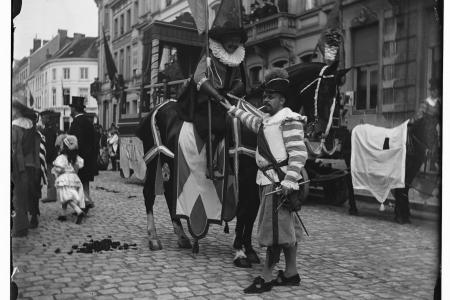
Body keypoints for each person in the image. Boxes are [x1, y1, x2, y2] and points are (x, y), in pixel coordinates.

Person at [221, 68, 307, 294]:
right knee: (288, 231)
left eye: (271, 97)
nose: (265, 100)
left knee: (275, 235)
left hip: (279, 185)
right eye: (264, 96)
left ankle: (266, 277)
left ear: (282, 99)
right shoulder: (268, 120)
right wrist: (233, 110)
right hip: (269, 181)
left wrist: (289, 181)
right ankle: (290, 273)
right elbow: (251, 121)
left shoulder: (289, 120)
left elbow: (299, 153)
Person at [177, 15, 247, 176]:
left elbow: (238, 80)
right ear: (222, 40)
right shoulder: (209, 57)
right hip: (206, 100)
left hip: (227, 100)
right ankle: (211, 164)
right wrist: (216, 95)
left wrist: (234, 90)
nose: (234, 44)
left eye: (237, 40)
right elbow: (198, 77)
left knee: (239, 124)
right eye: (231, 39)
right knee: (216, 126)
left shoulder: (235, 60)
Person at [11, 100, 42, 237]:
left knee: (19, 196)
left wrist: (18, 169)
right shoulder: (32, 127)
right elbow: (36, 149)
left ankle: (20, 227)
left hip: (21, 166)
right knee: (33, 192)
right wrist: (37, 166)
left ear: (16, 111)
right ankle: (34, 216)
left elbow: (16, 150)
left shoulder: (15, 127)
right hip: (33, 165)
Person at [68, 96, 99, 209]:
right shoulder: (88, 121)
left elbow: (75, 141)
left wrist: (71, 156)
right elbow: (95, 140)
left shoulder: (77, 122)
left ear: (75, 109)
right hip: (89, 157)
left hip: (79, 157)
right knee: (85, 180)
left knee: (79, 180)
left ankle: (82, 203)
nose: (70, 110)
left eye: (71, 108)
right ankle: (87, 198)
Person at [52, 135, 86, 224]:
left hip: (64, 179)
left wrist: (59, 173)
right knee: (66, 196)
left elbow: (59, 169)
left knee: (66, 197)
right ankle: (63, 214)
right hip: (74, 178)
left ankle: (79, 211)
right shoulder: (76, 158)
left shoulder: (62, 157)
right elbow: (77, 169)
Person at [41, 111, 58, 203]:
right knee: (51, 176)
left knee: (50, 177)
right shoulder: (51, 129)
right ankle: (51, 195)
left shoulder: (48, 130)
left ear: (47, 119)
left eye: (43, 118)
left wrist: (47, 158)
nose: (42, 120)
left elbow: (49, 146)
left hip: (49, 157)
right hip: (51, 156)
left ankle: (51, 196)